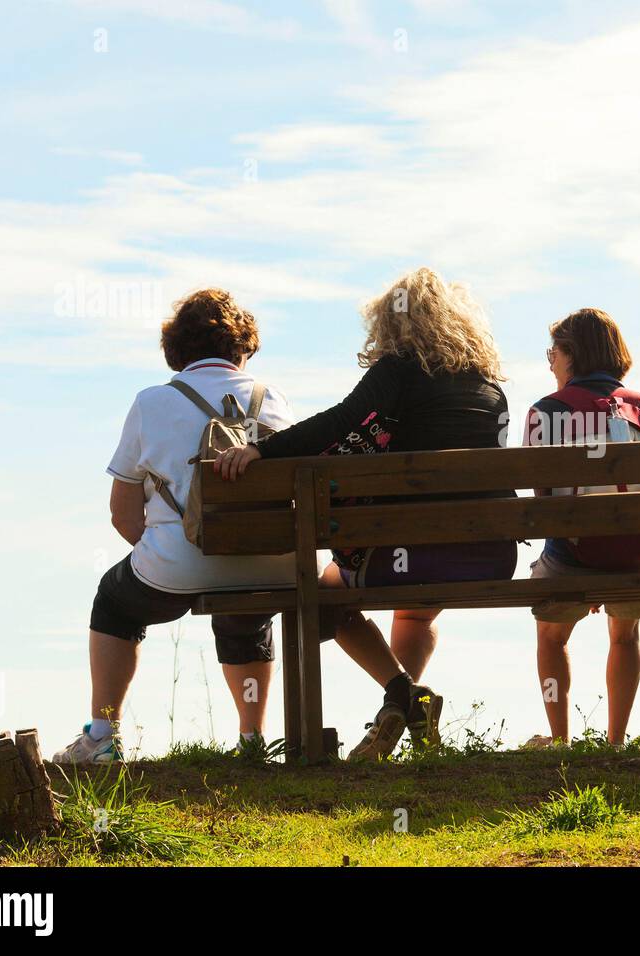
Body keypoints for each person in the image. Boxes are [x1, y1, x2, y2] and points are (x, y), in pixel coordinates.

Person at [215, 267, 517, 760]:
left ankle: (398, 693)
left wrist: (263, 453)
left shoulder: (397, 370)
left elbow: (340, 420)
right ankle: (402, 703)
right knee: (414, 611)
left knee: (319, 602)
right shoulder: (489, 387)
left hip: (402, 555)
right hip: (486, 556)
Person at [54, 289, 301, 764]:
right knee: (246, 609)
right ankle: (252, 741)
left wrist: (169, 550)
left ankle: (102, 738)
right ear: (243, 347)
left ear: (176, 349)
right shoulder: (274, 397)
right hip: (271, 564)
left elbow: (123, 514)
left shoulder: (151, 403)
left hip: (177, 565)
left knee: (114, 602)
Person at [523, 308, 640, 746]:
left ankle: (560, 744)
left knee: (550, 636)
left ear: (571, 354)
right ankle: (615, 742)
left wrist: (587, 558)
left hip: (573, 554)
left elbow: (543, 505)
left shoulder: (546, 412)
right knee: (625, 634)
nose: (550, 361)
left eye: (553, 352)